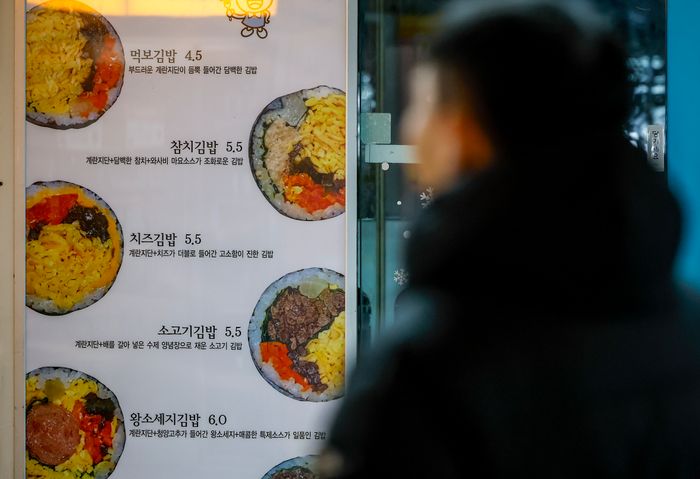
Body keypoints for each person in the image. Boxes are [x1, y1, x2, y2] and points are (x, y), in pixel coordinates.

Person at [321, 1, 700, 477]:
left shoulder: (427, 364)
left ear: (464, 125)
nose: (411, 130)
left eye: (422, 103)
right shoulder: (685, 329)